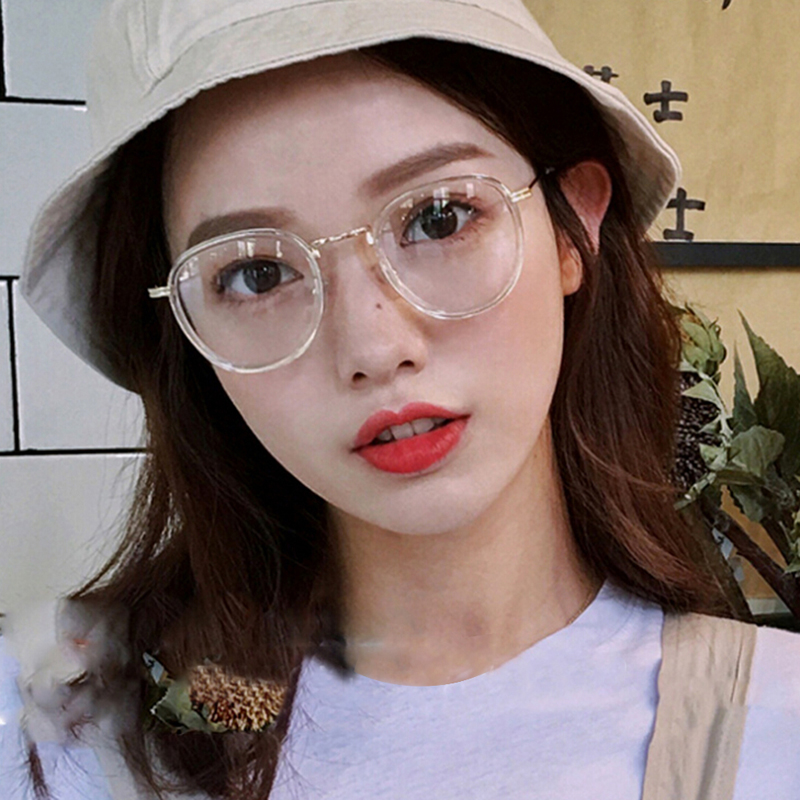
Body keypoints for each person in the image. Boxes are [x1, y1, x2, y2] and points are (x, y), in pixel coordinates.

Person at [1, 0, 798, 798]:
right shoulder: (50, 734)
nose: (374, 348)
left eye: (439, 218)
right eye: (257, 273)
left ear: (572, 229)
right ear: (185, 331)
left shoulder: (776, 731)